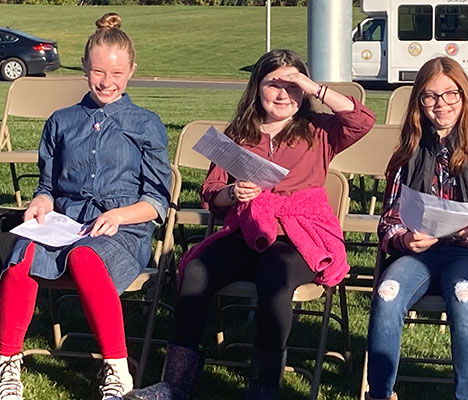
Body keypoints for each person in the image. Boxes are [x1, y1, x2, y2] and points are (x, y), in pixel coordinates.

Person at [125, 49, 376, 400]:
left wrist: (313, 87)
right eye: (274, 84)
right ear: (257, 86)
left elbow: (362, 120)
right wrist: (233, 192)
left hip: (299, 235)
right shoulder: (239, 133)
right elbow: (211, 193)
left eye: (292, 87)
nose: (282, 94)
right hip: (248, 230)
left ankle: (262, 386)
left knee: (274, 276)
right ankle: (176, 383)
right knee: (196, 269)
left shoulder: (319, 131)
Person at [0, 12, 171, 400]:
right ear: (84, 68)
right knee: (21, 254)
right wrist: (41, 202)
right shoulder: (62, 122)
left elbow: (157, 201)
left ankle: (117, 369)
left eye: (117, 74)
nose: (107, 82)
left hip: (123, 229)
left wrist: (119, 215)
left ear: (132, 71)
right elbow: (48, 184)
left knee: (84, 258)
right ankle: (7, 362)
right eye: (98, 72)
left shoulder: (145, 123)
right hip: (67, 223)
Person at [365, 56, 468, 400]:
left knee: (464, 296)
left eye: (450, 95)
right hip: (421, 252)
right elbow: (388, 219)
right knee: (386, 293)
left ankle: (467, 395)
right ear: (419, 102)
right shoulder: (409, 150)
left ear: (464, 98)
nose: (441, 104)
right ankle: (379, 393)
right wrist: (402, 238)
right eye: (430, 96)